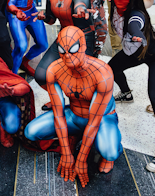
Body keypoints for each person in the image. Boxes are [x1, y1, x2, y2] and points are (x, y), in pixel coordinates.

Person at [25, 26, 122, 187]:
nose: (68, 56)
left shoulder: (102, 72)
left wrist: (81, 160)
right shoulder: (54, 70)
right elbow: (58, 113)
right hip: (74, 115)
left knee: (110, 152)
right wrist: (66, 153)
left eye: (73, 49)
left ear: (83, 46)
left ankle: (108, 144)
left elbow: (94, 121)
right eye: (62, 51)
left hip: (102, 119)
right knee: (31, 132)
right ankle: (75, 135)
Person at [102, 0, 155, 173]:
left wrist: (136, 34)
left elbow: (136, 24)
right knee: (110, 69)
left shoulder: (136, 13)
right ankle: (126, 93)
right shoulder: (115, 7)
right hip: (135, 52)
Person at [33, 0, 95, 109]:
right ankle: (57, 99)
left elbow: (80, 1)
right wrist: (43, 16)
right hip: (65, 36)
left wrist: (80, 9)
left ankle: (82, 105)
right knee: (41, 74)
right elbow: (51, 20)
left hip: (83, 37)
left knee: (83, 77)